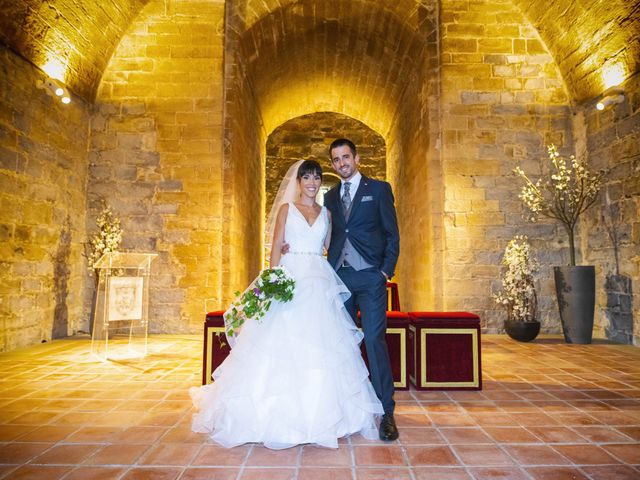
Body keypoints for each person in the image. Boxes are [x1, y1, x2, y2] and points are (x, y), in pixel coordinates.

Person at [190, 160, 383, 450]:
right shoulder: (286, 210)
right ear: (298, 181)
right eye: (307, 177)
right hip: (290, 280)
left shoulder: (327, 214)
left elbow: (330, 247)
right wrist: (272, 282)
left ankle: (326, 416)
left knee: (322, 345)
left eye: (317, 177)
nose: (312, 182)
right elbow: (276, 247)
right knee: (282, 344)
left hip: (318, 282)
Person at [323, 138, 400, 441]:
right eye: (336, 159)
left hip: (370, 277)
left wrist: (384, 272)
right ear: (332, 164)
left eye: (346, 157)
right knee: (341, 344)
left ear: (356, 157)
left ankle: (387, 413)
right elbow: (329, 234)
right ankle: (346, 408)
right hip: (339, 278)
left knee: (373, 339)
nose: (342, 163)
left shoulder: (379, 189)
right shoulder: (329, 197)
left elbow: (393, 234)